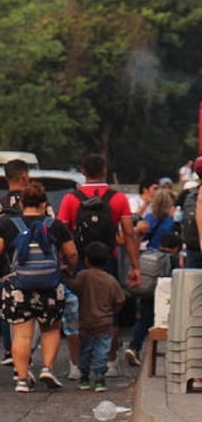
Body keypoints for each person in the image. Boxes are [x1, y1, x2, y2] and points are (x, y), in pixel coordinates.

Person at [0, 180, 78, 393]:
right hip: (50, 285)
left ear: (21, 204)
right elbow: (72, 253)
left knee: (21, 333)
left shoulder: (9, 225)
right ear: (44, 203)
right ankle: (47, 368)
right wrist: (68, 269)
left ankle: (21, 379)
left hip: (19, 287)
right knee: (51, 328)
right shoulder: (55, 225)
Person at [56, 153, 141, 379]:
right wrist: (135, 266)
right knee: (109, 310)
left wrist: (63, 264)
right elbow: (129, 234)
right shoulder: (118, 198)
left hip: (79, 261)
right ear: (104, 171)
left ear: (83, 172)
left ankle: (77, 365)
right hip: (108, 261)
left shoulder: (71, 199)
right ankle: (109, 362)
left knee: (76, 312)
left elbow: (62, 233)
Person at [0, 158, 34, 366]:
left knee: (9, 308)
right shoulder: (35, 200)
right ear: (25, 176)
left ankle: (9, 349)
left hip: (5, 264)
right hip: (33, 262)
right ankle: (27, 353)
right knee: (34, 311)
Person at [64, 241, 126, 392]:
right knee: (102, 350)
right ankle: (99, 377)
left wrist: (65, 275)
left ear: (86, 260)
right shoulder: (110, 280)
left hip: (85, 321)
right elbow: (120, 299)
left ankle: (84, 377)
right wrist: (112, 310)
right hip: (104, 322)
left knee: (85, 350)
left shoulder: (83, 276)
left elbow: (73, 286)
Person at [125, 231, 182, 367]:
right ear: (176, 248)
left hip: (147, 293)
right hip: (163, 297)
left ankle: (134, 347)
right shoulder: (172, 258)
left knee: (143, 321)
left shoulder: (150, 254)